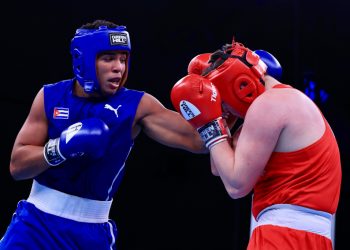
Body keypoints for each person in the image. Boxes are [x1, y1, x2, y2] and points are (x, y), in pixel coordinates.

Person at [0, 19, 206, 249]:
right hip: (35, 226)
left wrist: (227, 106)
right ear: (84, 60)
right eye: (108, 58)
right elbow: (17, 167)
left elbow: (198, 140)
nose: (119, 67)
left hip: (92, 235)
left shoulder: (137, 106)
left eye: (123, 58)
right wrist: (59, 148)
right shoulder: (50, 97)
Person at [170, 40, 342, 249]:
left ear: (242, 86)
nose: (224, 109)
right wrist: (221, 115)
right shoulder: (283, 100)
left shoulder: (268, 105)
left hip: (283, 236)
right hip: (311, 236)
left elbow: (236, 185)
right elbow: (220, 167)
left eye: (223, 102)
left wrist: (208, 124)